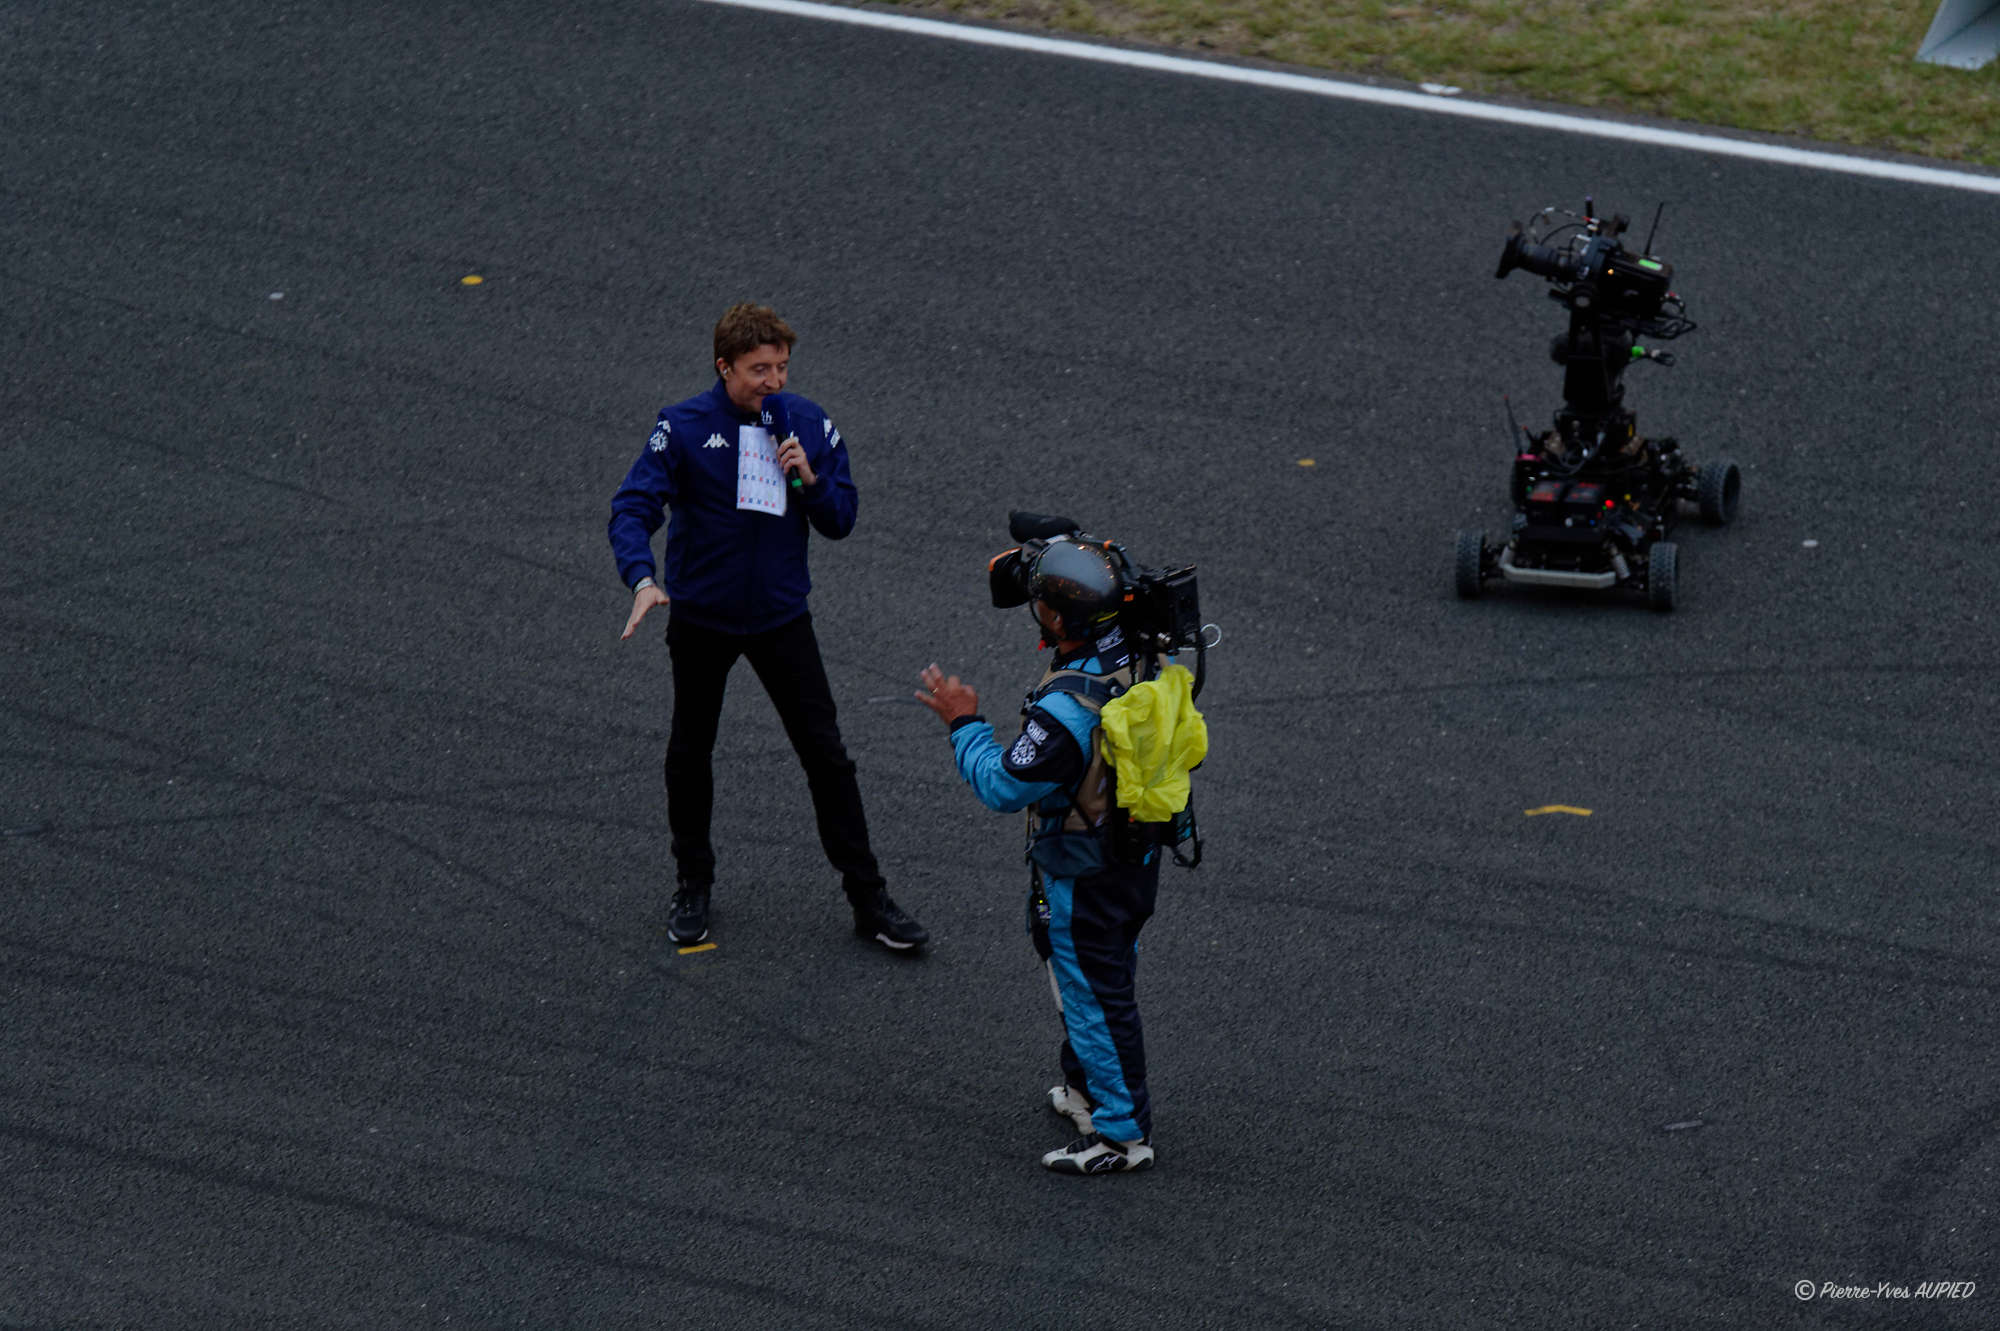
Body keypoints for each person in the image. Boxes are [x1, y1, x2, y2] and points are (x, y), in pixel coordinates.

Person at [608, 302, 927, 953]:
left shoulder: (807, 423)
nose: (774, 381)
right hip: (701, 618)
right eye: (759, 369)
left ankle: (870, 900)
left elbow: (842, 518)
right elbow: (632, 506)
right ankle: (693, 882)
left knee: (827, 757)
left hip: (783, 618)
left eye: (781, 366)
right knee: (689, 753)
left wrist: (808, 478)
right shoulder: (684, 426)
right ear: (724, 366)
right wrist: (642, 578)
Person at [916, 537, 1163, 1174]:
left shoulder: (1065, 713)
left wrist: (963, 722)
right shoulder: (1137, 643)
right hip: (1133, 850)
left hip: (1084, 871)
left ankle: (1122, 1135)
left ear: (1057, 617)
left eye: (1043, 599)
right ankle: (1085, 1092)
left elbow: (1003, 784)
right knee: (1103, 979)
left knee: (1093, 995)